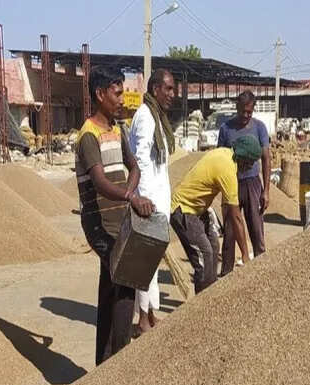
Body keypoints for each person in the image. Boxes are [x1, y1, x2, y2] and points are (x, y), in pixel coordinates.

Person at [75, 65, 155, 365]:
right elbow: (100, 182)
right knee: (121, 279)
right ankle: (116, 360)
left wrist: (130, 194)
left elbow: (132, 167)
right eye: (117, 93)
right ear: (100, 94)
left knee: (114, 288)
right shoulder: (88, 136)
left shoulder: (117, 130)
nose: (122, 99)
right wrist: (131, 196)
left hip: (118, 219)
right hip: (98, 223)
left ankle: (106, 363)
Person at [170, 136, 259, 293]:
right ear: (244, 159)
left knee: (213, 245)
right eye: (250, 162)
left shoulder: (224, 153)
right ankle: (199, 307)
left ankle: (210, 296)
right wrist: (245, 254)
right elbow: (236, 217)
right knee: (204, 255)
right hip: (183, 210)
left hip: (198, 210)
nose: (250, 167)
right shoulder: (228, 169)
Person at [129, 68, 175, 335]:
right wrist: (142, 198)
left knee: (153, 261)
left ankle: (150, 314)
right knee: (145, 263)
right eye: (168, 89)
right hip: (149, 202)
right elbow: (141, 160)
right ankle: (142, 320)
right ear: (155, 88)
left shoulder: (158, 117)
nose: (172, 94)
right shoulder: (145, 117)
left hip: (159, 199)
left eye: (173, 89)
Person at [217, 90, 271, 275]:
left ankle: (261, 272)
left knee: (256, 229)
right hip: (231, 183)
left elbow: (266, 158)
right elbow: (220, 158)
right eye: (243, 111)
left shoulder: (259, 128)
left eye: (250, 112)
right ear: (237, 108)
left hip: (253, 183)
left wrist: (266, 191)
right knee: (230, 231)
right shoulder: (226, 129)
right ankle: (226, 274)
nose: (246, 116)